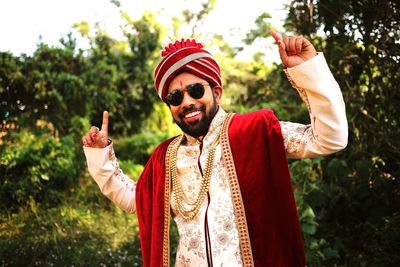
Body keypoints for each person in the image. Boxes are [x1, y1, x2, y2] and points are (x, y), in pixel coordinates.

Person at [82, 31, 348, 267]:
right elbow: (135, 200)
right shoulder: (167, 157)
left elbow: (329, 138)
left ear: (216, 92)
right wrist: (100, 155)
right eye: (175, 97)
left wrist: (308, 72)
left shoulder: (254, 130)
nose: (186, 102)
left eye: (196, 90)